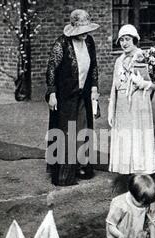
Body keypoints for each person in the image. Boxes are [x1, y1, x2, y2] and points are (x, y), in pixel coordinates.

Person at [45, 9, 100, 186]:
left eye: (87, 30)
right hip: (65, 95)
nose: (85, 34)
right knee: (66, 132)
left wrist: (94, 88)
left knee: (83, 129)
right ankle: (64, 174)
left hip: (83, 94)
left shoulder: (89, 42)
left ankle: (82, 167)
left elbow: (93, 67)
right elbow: (51, 68)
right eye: (81, 30)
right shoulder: (62, 44)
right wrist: (52, 93)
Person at [108, 24, 155, 175]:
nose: (124, 43)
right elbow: (114, 86)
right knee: (125, 135)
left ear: (134, 39)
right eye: (122, 40)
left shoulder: (143, 56)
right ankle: (126, 169)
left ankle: (140, 169)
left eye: (127, 39)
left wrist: (143, 84)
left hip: (138, 104)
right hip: (122, 105)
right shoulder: (119, 61)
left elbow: (154, 83)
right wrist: (112, 109)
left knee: (138, 134)